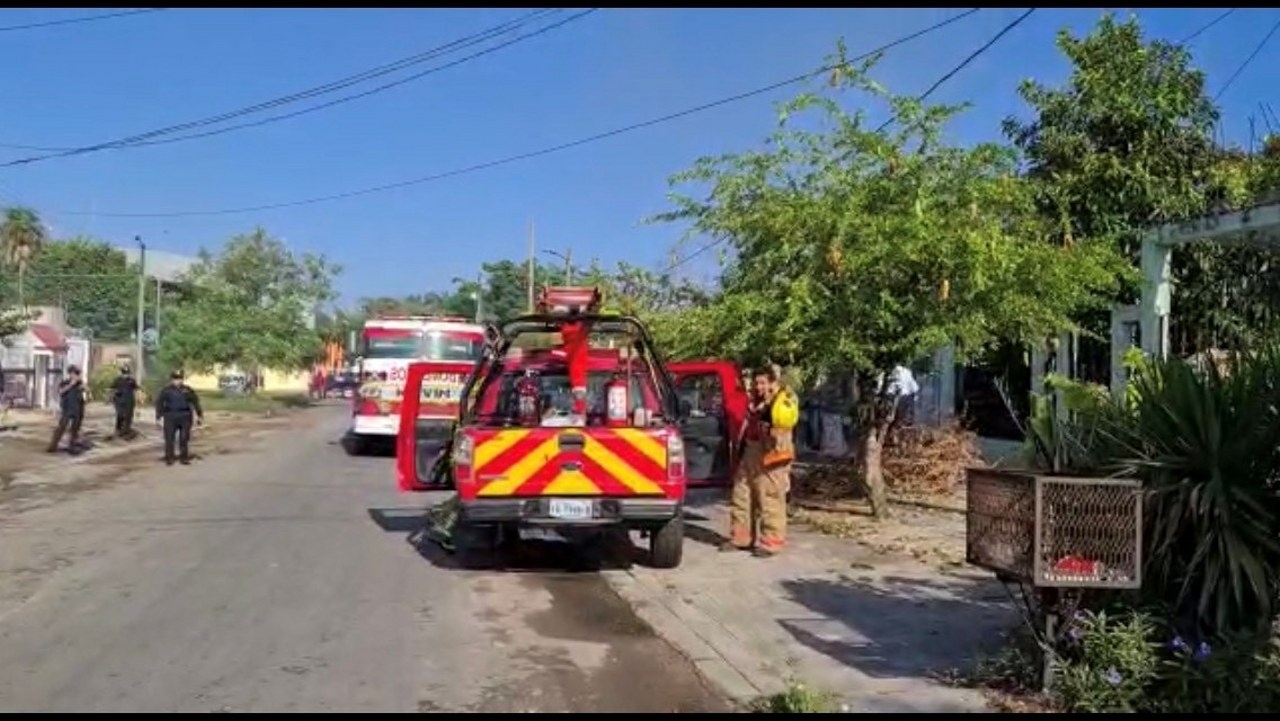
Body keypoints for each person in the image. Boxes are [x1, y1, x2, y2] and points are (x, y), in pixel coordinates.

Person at [722, 364, 800, 557]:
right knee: (742, 495)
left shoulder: (783, 401)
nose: (759, 387)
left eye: (763, 383)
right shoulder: (754, 401)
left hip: (772, 455)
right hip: (751, 450)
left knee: (770, 498)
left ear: (773, 382)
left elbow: (782, 424)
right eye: (757, 383)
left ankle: (771, 542)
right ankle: (741, 538)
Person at [154, 370, 204, 466]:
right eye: (176, 379)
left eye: (180, 379)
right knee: (169, 438)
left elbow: (195, 402)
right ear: (172, 379)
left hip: (185, 416)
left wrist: (199, 415)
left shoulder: (188, 390)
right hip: (170, 416)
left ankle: (184, 457)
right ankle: (169, 458)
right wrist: (158, 417)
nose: (178, 381)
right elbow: (159, 403)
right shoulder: (166, 390)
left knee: (184, 438)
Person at [47, 365, 87, 454]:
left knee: (75, 429)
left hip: (77, 409)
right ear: (70, 374)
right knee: (62, 427)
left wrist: (84, 387)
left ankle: (72, 446)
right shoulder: (65, 382)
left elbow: (86, 391)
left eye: (78, 373)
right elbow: (61, 391)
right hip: (67, 408)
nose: (76, 375)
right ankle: (53, 446)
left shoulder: (80, 383)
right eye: (74, 373)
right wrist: (71, 385)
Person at [111, 365, 140, 440]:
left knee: (128, 416)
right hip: (119, 401)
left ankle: (126, 430)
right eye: (124, 373)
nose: (125, 375)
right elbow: (112, 389)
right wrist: (113, 396)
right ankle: (118, 429)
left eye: (126, 373)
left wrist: (139, 401)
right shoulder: (117, 380)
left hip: (129, 401)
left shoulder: (132, 380)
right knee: (120, 415)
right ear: (121, 372)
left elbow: (136, 390)